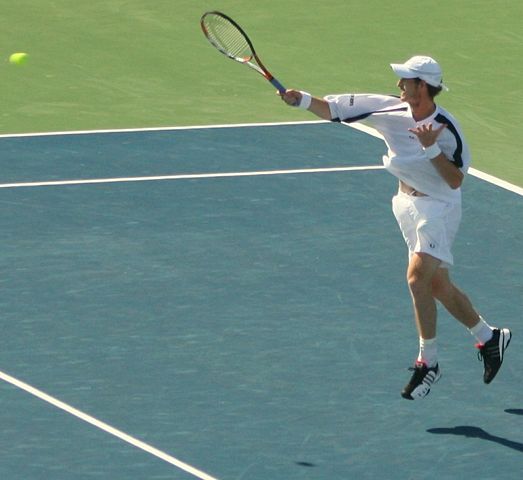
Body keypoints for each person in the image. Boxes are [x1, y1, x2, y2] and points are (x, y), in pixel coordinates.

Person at [280, 55, 512, 400]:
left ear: (423, 86)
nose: (399, 85)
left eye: (406, 80)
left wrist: (430, 147)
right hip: (405, 205)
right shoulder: (389, 109)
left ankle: (427, 362)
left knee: (417, 279)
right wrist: (300, 100)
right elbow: (331, 108)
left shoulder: (447, 129)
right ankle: (489, 337)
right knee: (436, 285)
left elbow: (454, 181)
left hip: (438, 208)